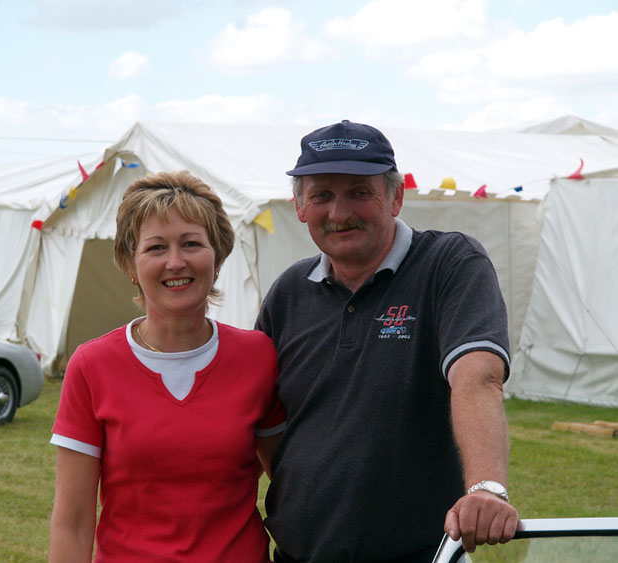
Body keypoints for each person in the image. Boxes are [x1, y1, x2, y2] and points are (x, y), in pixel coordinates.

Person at [255, 120, 520, 562]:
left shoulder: (449, 263)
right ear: (299, 206)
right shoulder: (289, 292)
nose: (339, 213)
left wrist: (486, 488)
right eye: (321, 195)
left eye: (359, 192)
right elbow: (263, 415)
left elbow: (478, 376)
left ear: (395, 197)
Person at [49, 170, 286, 562]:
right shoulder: (92, 366)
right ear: (130, 263)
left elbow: (291, 491)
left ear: (218, 255)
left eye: (191, 243)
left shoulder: (258, 357)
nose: (176, 262)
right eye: (156, 248)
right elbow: (72, 524)